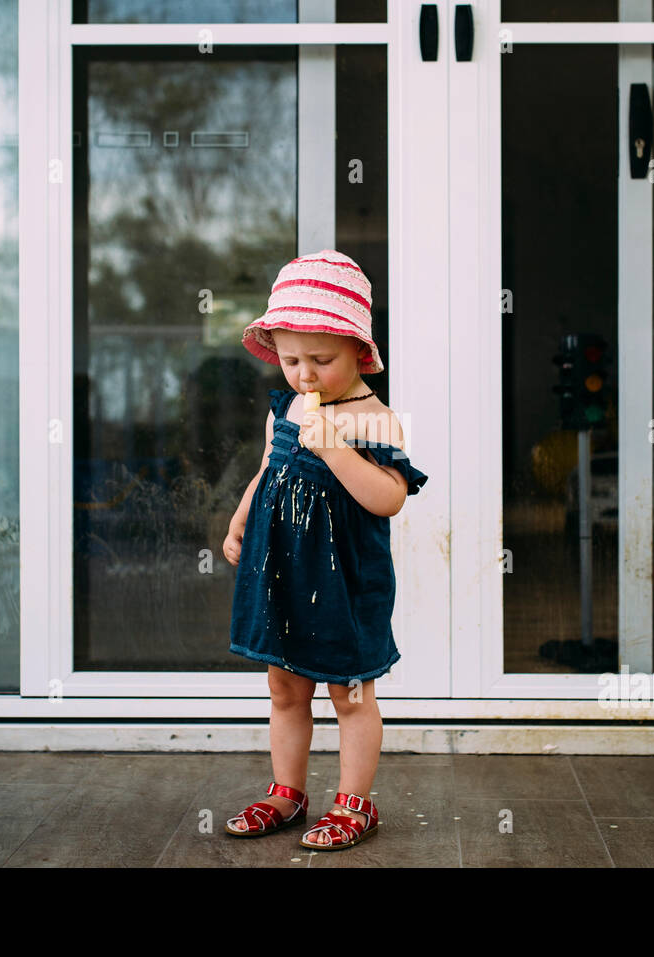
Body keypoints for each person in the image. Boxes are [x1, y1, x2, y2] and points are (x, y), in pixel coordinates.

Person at [221, 249, 428, 850]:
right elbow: (268, 470)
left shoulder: (374, 416)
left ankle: (353, 804)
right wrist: (238, 523)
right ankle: (286, 791)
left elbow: (389, 498)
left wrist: (338, 449)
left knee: (351, 694)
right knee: (284, 689)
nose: (305, 375)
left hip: (345, 580)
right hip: (284, 569)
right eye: (290, 360)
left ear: (359, 353)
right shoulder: (285, 407)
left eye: (321, 359)